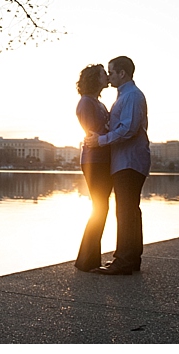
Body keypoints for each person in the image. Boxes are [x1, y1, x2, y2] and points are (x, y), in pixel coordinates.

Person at [84, 56, 151, 275]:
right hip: (126, 161)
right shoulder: (126, 96)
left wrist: (100, 141)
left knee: (125, 211)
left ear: (122, 73)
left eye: (111, 72)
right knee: (130, 211)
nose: (109, 76)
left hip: (129, 161)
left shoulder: (131, 96)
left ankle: (123, 261)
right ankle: (130, 259)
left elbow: (128, 129)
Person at [73, 64, 112, 272]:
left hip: (101, 159)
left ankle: (89, 259)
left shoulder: (96, 102)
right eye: (103, 74)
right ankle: (87, 260)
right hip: (94, 160)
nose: (107, 76)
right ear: (94, 78)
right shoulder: (86, 103)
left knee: (101, 207)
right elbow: (93, 132)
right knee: (100, 207)